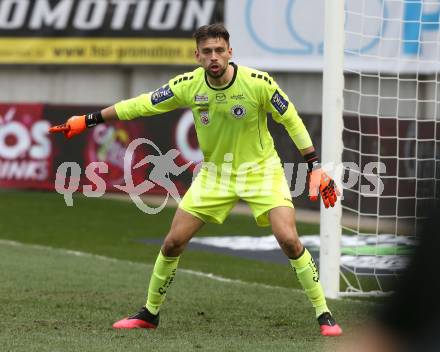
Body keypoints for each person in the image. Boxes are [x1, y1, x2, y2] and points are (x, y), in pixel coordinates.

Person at [49, 23, 341, 336]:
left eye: (219, 50)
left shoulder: (258, 83)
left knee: (288, 238)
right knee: (173, 242)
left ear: (230, 52)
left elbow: (291, 119)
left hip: (262, 172)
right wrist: (88, 120)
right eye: (207, 52)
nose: (214, 57)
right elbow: (141, 104)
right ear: (197, 56)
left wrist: (314, 166)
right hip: (215, 175)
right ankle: (149, 313)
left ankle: (324, 314)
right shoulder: (188, 85)